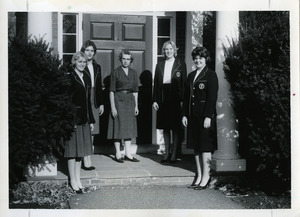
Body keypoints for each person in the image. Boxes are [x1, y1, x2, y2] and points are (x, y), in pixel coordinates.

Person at [182, 46, 219, 190]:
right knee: (196, 147)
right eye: (196, 58)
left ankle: (206, 177)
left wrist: (208, 116)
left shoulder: (211, 75)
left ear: (205, 59)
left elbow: (212, 98)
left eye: (200, 58)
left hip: (204, 117)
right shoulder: (191, 76)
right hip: (192, 116)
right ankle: (198, 175)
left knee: (205, 147)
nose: (198, 60)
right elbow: (186, 98)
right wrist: (184, 114)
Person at [64, 51, 95, 193]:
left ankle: (78, 179)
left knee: (80, 152)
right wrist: (70, 120)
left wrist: (91, 119)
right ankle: (72, 181)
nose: (82, 64)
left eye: (84, 62)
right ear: (74, 62)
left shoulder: (86, 78)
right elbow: (67, 101)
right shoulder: (70, 78)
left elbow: (88, 101)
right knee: (72, 152)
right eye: (79, 62)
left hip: (85, 119)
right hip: (74, 120)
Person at [153, 40, 187, 163]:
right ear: (164, 51)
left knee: (176, 127)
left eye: (170, 49)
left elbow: (183, 84)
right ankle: (166, 152)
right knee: (165, 127)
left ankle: (174, 153)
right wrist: (155, 100)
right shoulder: (159, 65)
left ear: (174, 50)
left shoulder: (181, 64)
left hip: (175, 98)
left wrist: (183, 100)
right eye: (166, 49)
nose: (168, 51)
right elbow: (156, 84)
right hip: (163, 96)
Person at [107, 49, 139, 163]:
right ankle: (117, 153)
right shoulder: (115, 72)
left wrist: (136, 106)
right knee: (118, 126)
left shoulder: (134, 73)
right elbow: (111, 91)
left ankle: (128, 153)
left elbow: (135, 91)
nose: (126, 61)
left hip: (130, 101)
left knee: (129, 127)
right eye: (124, 59)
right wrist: (113, 107)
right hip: (118, 101)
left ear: (131, 60)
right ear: (121, 59)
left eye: (128, 59)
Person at [80, 40, 104, 170]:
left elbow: (99, 86)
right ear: (83, 51)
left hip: (95, 98)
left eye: (92, 51)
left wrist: (101, 103)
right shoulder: (80, 65)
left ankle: (89, 155)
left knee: (93, 130)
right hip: (84, 97)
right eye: (87, 50)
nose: (89, 53)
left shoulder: (97, 67)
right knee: (85, 128)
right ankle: (85, 158)